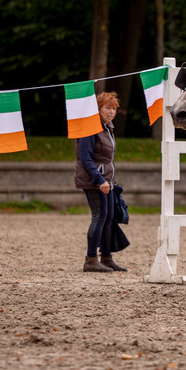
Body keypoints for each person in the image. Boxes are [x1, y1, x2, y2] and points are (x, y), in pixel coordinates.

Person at [74, 92, 126, 272]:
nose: (111, 112)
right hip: (94, 180)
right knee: (99, 217)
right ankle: (90, 260)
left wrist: (112, 180)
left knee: (110, 218)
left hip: (107, 180)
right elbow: (85, 158)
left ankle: (106, 257)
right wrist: (99, 180)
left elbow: (107, 159)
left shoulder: (108, 127)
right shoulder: (90, 127)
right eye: (107, 108)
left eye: (113, 109)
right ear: (98, 109)